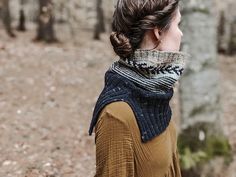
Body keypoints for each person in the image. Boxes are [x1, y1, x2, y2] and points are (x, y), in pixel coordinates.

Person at [88, 0, 190, 176]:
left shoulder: (154, 92)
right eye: (177, 24)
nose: (181, 34)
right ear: (158, 32)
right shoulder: (117, 115)